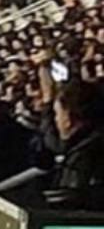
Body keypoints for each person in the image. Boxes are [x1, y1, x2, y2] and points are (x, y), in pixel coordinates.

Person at [46, 81, 104, 209]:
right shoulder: (76, 148)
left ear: (68, 117)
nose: (56, 120)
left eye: (57, 114)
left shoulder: (86, 155)